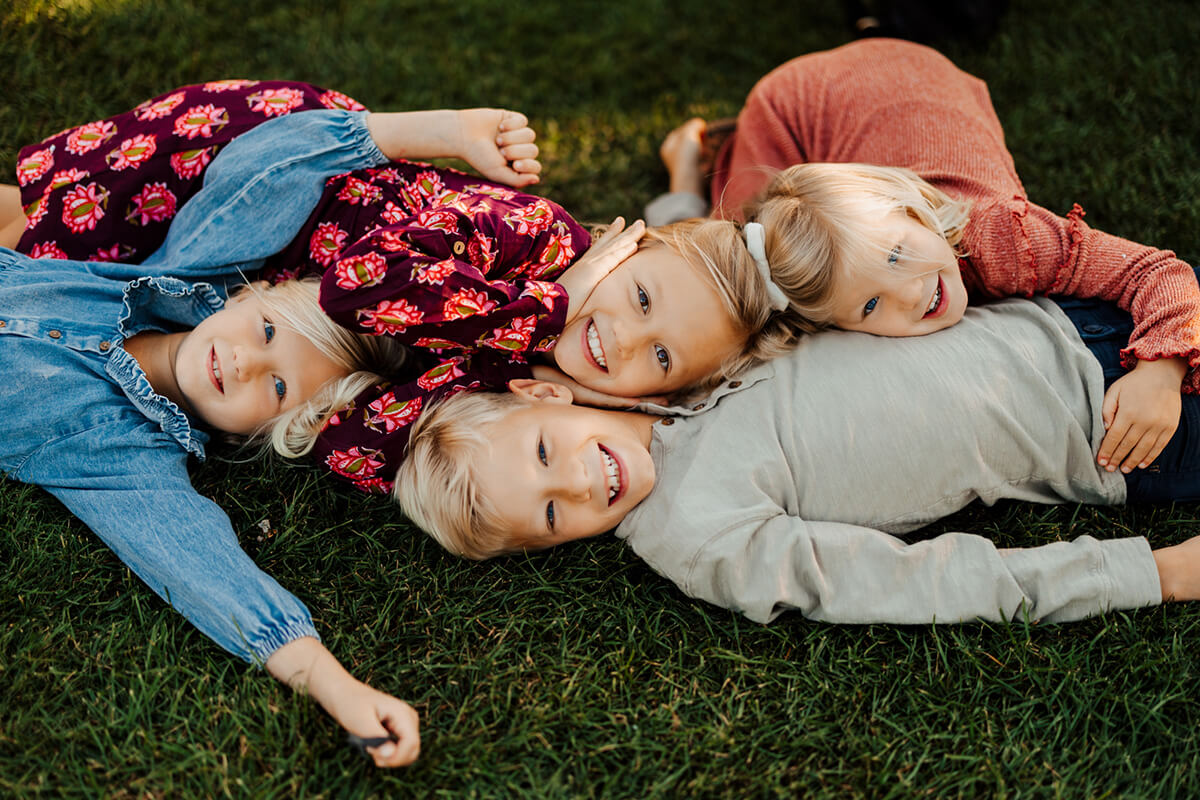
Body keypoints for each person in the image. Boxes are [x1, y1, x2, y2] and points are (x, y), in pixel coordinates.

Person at [0, 102, 561, 767]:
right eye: (266, 334)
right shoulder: (191, 271)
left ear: (269, 431)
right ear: (248, 299)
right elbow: (269, 170)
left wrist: (335, 685)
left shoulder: (118, 454)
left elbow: (198, 564)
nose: (244, 362)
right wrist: (443, 133)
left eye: (275, 388)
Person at [4, 80, 819, 496]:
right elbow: (361, 290)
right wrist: (552, 301)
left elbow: (356, 451)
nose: (626, 340)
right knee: (48, 227)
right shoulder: (541, 244)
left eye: (662, 355)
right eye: (639, 298)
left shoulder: (534, 385)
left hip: (251, 288)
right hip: (289, 173)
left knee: (78, 285)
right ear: (618, 249)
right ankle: (436, 124)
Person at [394, 293, 1200, 626]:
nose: (575, 482)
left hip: (1080, 319)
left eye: (543, 454)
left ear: (546, 399)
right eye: (549, 513)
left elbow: (709, 274)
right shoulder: (695, 536)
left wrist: (682, 182)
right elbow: (912, 582)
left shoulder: (651, 368)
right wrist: (1149, 575)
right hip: (1120, 433)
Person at [647, 38, 1200, 478]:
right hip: (814, 110)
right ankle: (702, 159)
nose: (910, 292)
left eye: (897, 254)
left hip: (898, 76)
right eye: (868, 305)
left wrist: (1161, 369)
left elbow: (1155, 271)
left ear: (915, 210)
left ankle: (694, 162)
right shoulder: (855, 273)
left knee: (742, 241)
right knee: (739, 260)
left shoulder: (1007, 237)